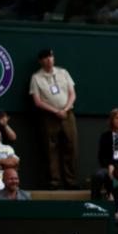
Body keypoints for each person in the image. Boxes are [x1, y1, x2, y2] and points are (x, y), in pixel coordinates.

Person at [29, 48, 78, 190]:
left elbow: (72, 94)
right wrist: (56, 111)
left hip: (68, 114)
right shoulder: (36, 77)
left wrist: (65, 109)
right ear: (40, 61)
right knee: (51, 150)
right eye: (45, 58)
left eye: (50, 56)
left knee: (71, 147)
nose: (48, 60)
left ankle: (71, 181)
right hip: (49, 117)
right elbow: (37, 101)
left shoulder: (63, 72)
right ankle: (54, 182)